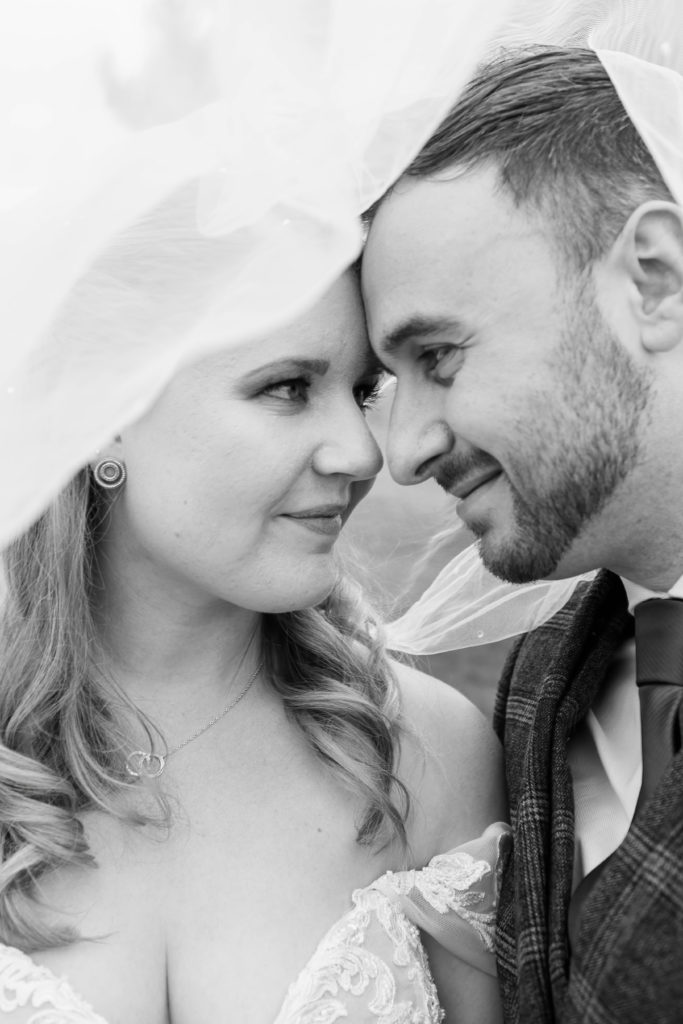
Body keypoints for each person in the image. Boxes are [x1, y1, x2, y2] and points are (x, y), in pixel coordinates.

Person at [0, 181, 507, 1022]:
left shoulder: (423, 755)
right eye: (285, 388)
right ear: (108, 410)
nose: (358, 451)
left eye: (362, 392)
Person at [362, 45, 683, 1024]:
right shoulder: (542, 687)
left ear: (652, 277)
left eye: (438, 355)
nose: (404, 451)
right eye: (384, 380)